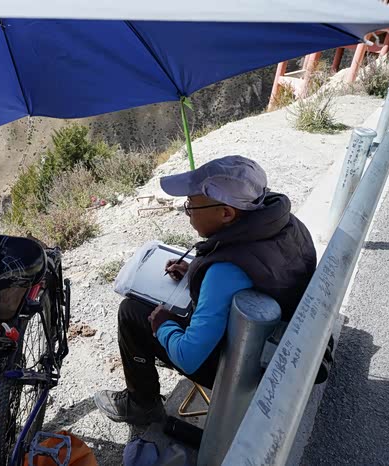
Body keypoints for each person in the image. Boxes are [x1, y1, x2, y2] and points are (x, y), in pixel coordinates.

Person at [94, 155, 317, 425]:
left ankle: (141, 404)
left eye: (191, 205)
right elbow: (257, 272)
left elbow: (189, 357)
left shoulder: (224, 272)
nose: (187, 213)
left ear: (226, 213)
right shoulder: (286, 224)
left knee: (131, 312)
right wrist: (194, 271)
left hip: (244, 368)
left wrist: (163, 325)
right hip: (280, 346)